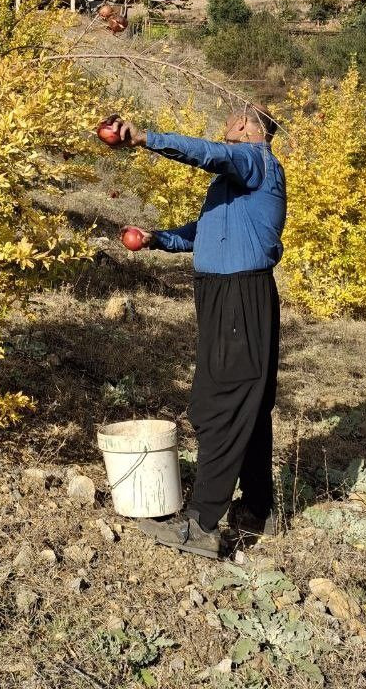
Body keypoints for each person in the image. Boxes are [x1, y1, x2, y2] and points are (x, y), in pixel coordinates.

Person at [109, 105, 286, 559]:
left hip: (238, 297)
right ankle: (257, 509)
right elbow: (202, 232)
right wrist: (157, 239)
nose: (224, 127)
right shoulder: (236, 183)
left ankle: (203, 524)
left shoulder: (254, 161)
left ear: (248, 127)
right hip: (229, 297)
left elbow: (209, 154)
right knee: (249, 402)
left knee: (218, 404)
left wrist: (147, 138)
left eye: (229, 121)